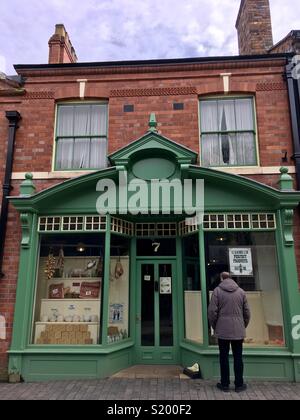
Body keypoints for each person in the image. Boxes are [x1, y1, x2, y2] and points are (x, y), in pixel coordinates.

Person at [208, 272, 251, 393]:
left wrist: (215, 326)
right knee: (238, 357)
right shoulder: (241, 292)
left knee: (224, 357)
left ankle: (225, 384)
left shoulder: (217, 291)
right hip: (238, 330)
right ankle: (239, 384)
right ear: (231, 278)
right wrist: (243, 325)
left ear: (221, 278)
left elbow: (212, 312)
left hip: (223, 330)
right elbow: (247, 313)